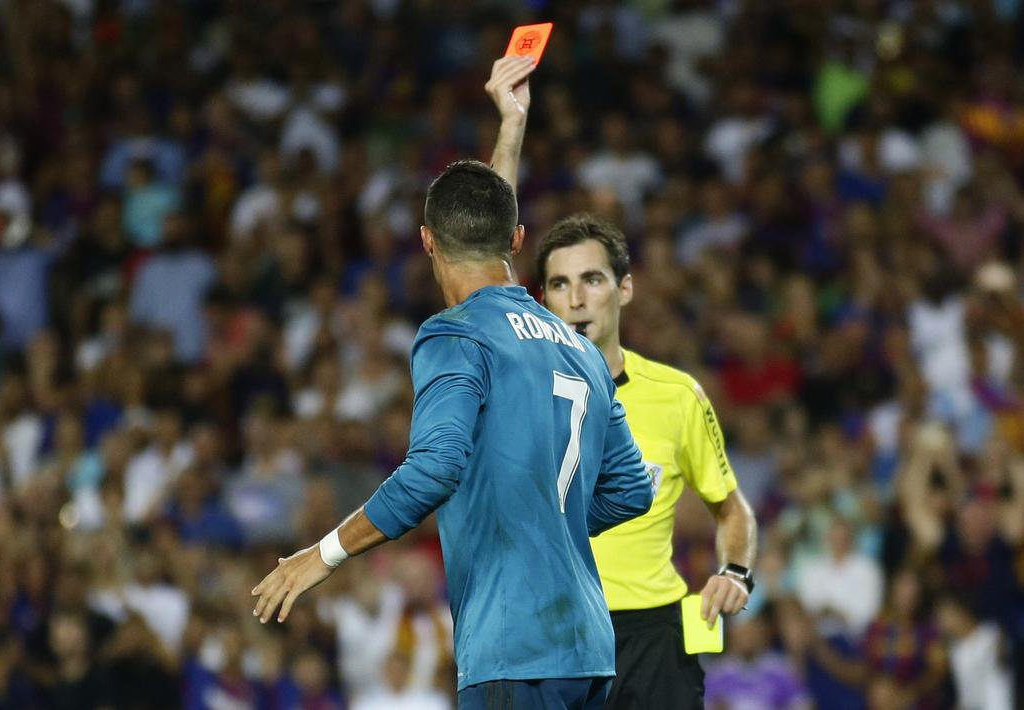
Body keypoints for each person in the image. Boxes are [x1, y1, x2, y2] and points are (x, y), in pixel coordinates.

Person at [251, 57, 653, 710]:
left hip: (511, 651)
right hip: (586, 650)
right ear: (519, 240)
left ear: (426, 242)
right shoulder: (580, 351)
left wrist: (320, 555)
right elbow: (632, 490)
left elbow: (434, 467)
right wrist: (510, 127)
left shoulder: (454, 335)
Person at [533, 212, 757, 709]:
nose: (576, 300)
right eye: (559, 284)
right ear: (543, 300)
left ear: (625, 288)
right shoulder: (517, 401)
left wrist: (735, 570)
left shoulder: (678, 396)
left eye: (592, 279)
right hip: (555, 637)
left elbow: (731, 505)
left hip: (655, 638)